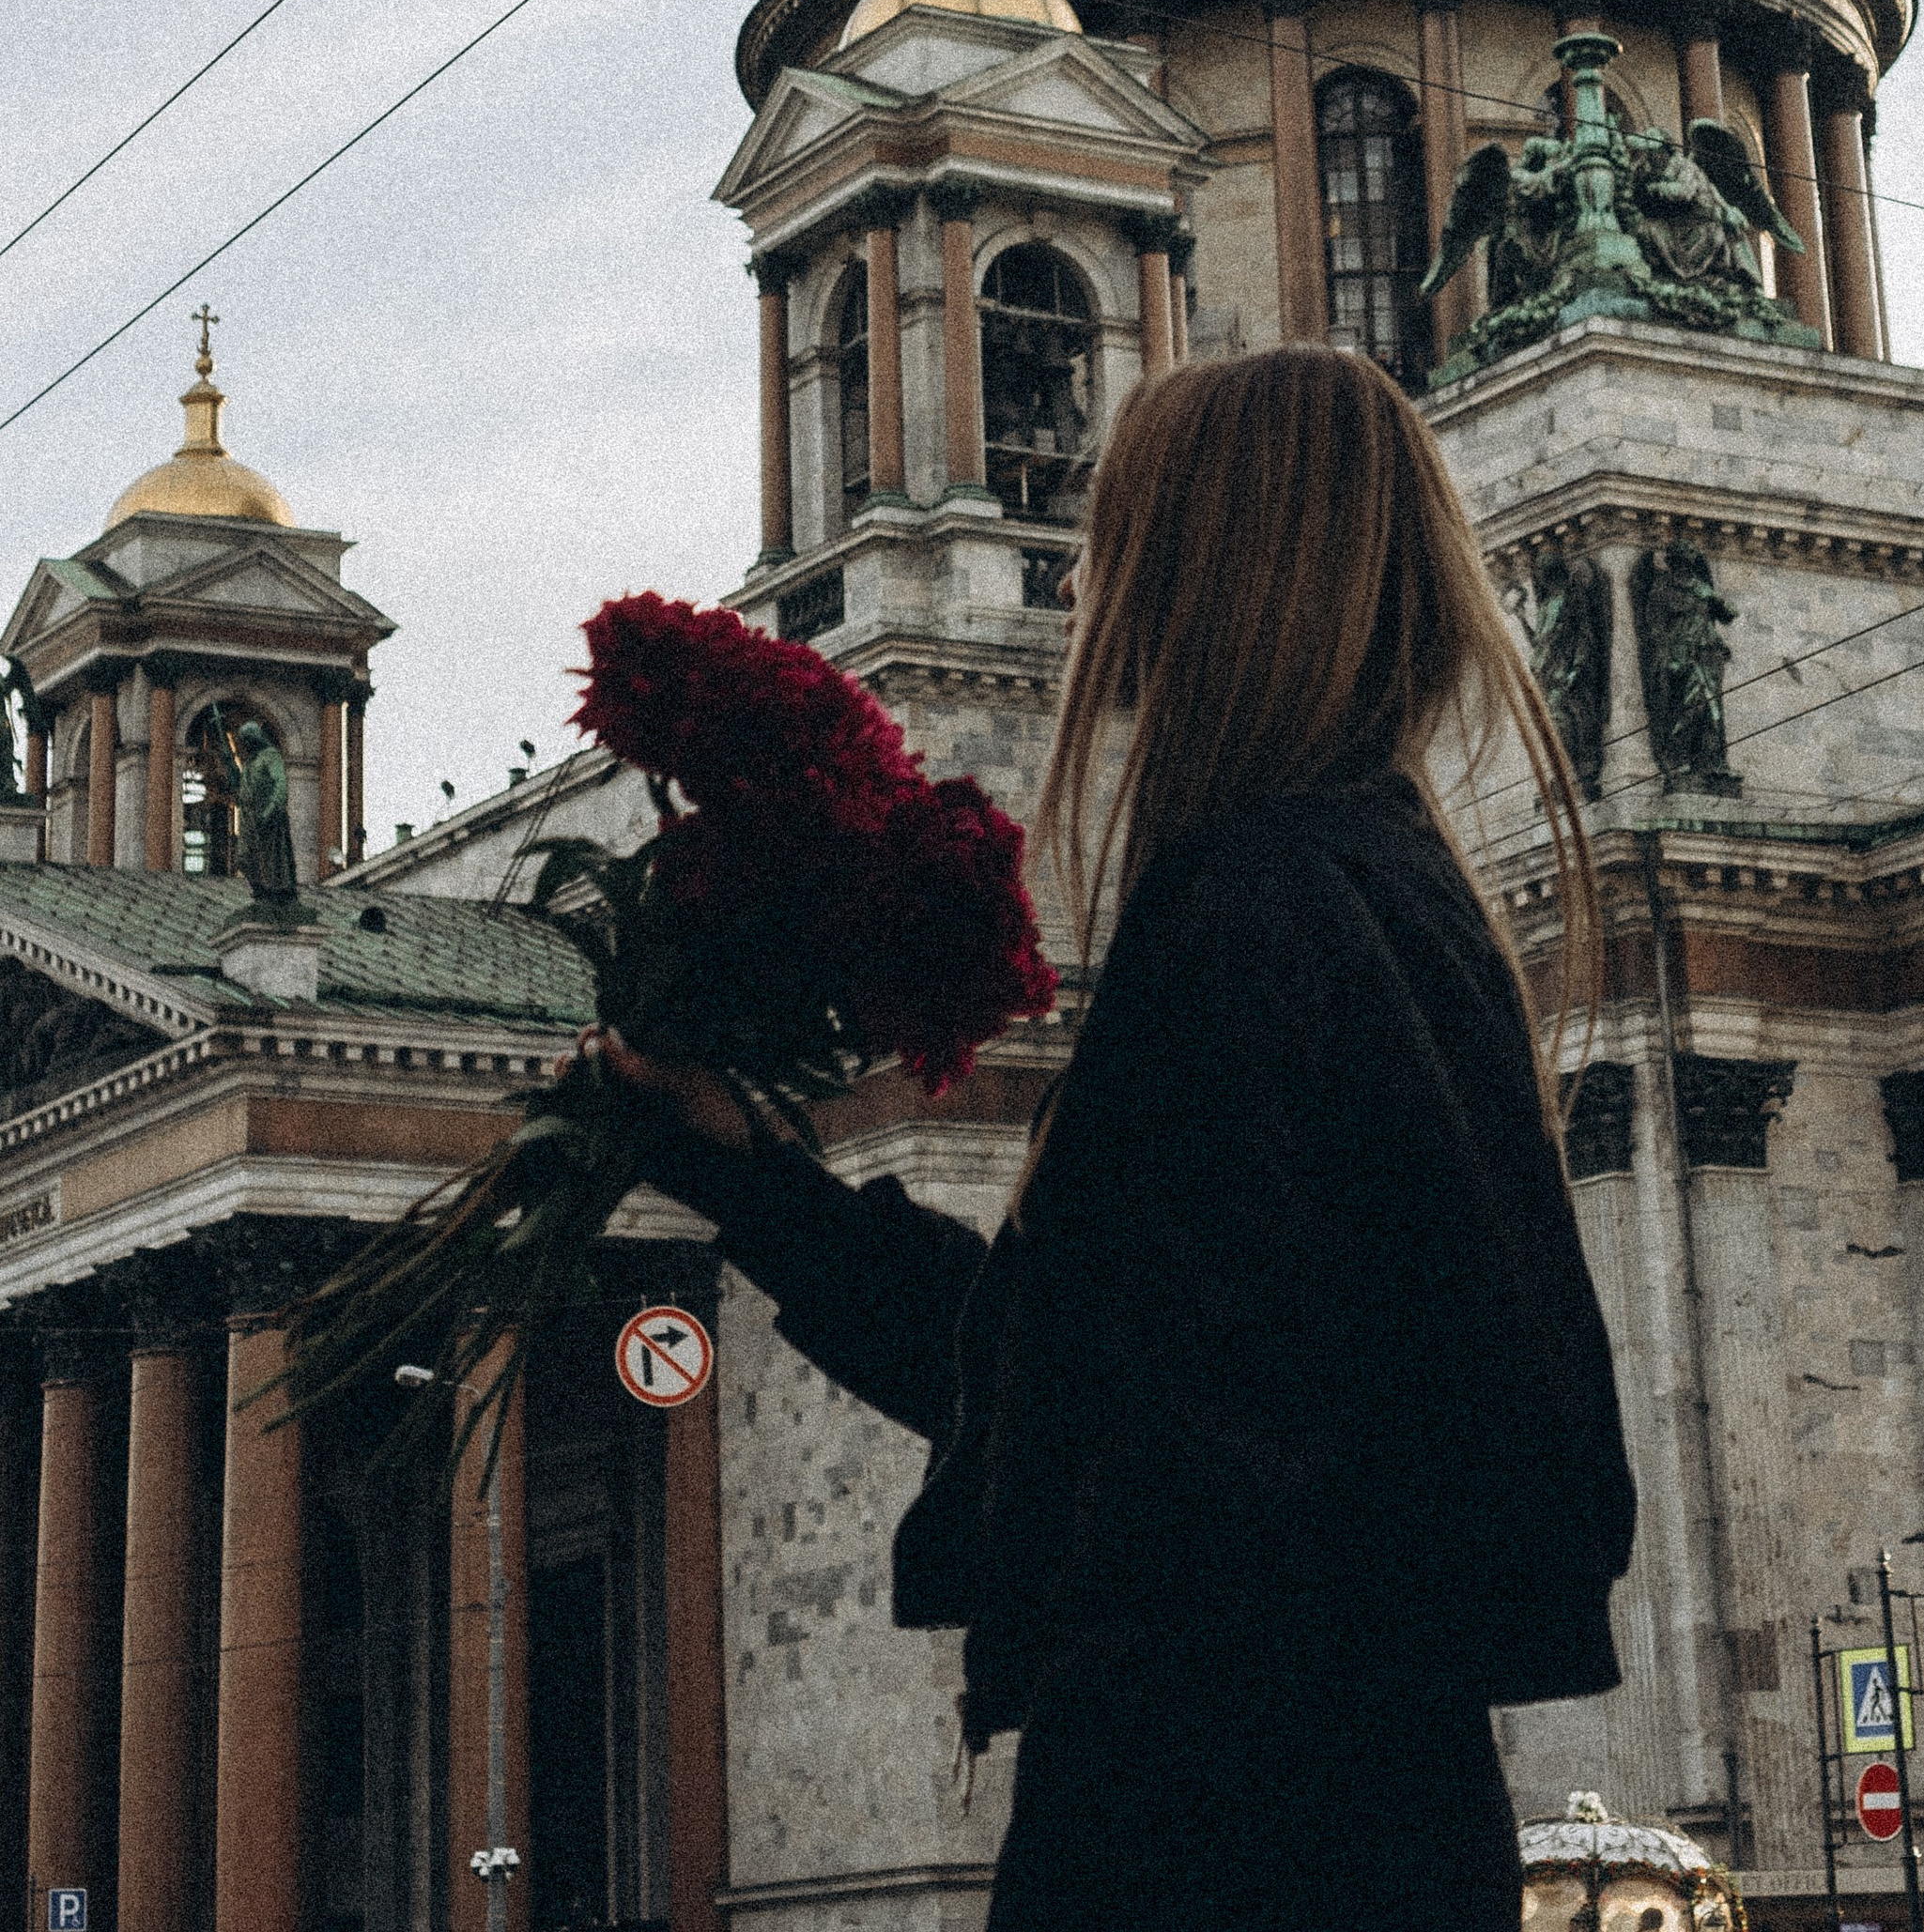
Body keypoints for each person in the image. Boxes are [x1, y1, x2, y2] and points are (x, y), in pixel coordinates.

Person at [593, 345, 1636, 1929]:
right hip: (1381, 1814)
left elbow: (1187, 1487)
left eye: (1113, 539)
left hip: (1212, 1832)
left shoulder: (1242, 913)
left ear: (1213, 574)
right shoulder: (1391, 896)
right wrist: (752, 1177)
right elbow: (1070, 1369)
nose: (1078, 587)